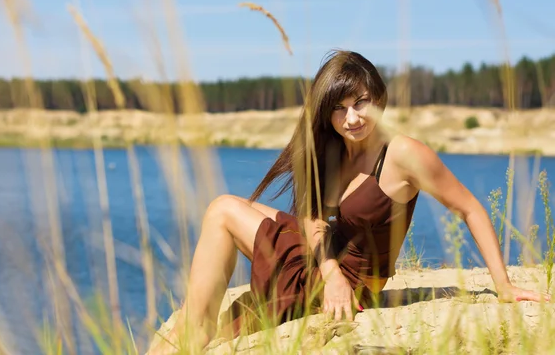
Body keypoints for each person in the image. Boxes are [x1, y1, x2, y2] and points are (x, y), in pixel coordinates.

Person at [147, 50, 549, 354]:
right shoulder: (335, 150)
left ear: (378, 96)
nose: (351, 119)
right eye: (338, 109)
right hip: (328, 272)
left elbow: (469, 208)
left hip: (350, 288)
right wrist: (329, 269)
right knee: (235, 206)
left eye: (360, 103)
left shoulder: (404, 153)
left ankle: (197, 332)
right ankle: (196, 320)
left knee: (221, 209)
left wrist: (502, 284)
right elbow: (312, 216)